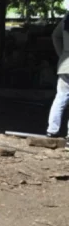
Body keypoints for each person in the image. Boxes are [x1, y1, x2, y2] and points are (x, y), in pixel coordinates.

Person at [46, 14, 69, 150]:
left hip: (65, 63)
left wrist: (62, 54)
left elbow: (55, 35)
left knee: (60, 98)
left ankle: (52, 131)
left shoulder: (67, 19)